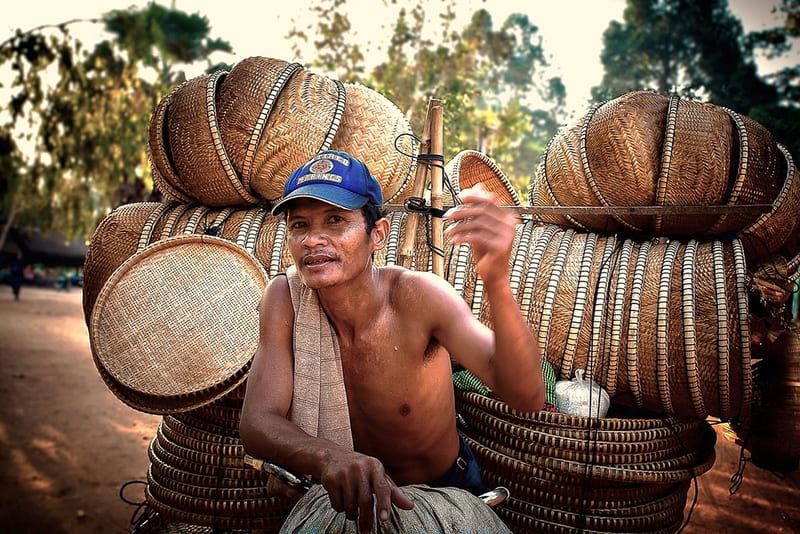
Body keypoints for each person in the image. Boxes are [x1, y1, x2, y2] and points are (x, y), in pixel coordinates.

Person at [240, 150, 544, 533]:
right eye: (299, 225)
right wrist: (329, 458)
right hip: (344, 500)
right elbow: (256, 421)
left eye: (335, 221)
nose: (313, 239)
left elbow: (527, 396)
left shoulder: (419, 297)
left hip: (440, 496)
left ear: (377, 235)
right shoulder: (285, 298)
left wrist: (496, 279)